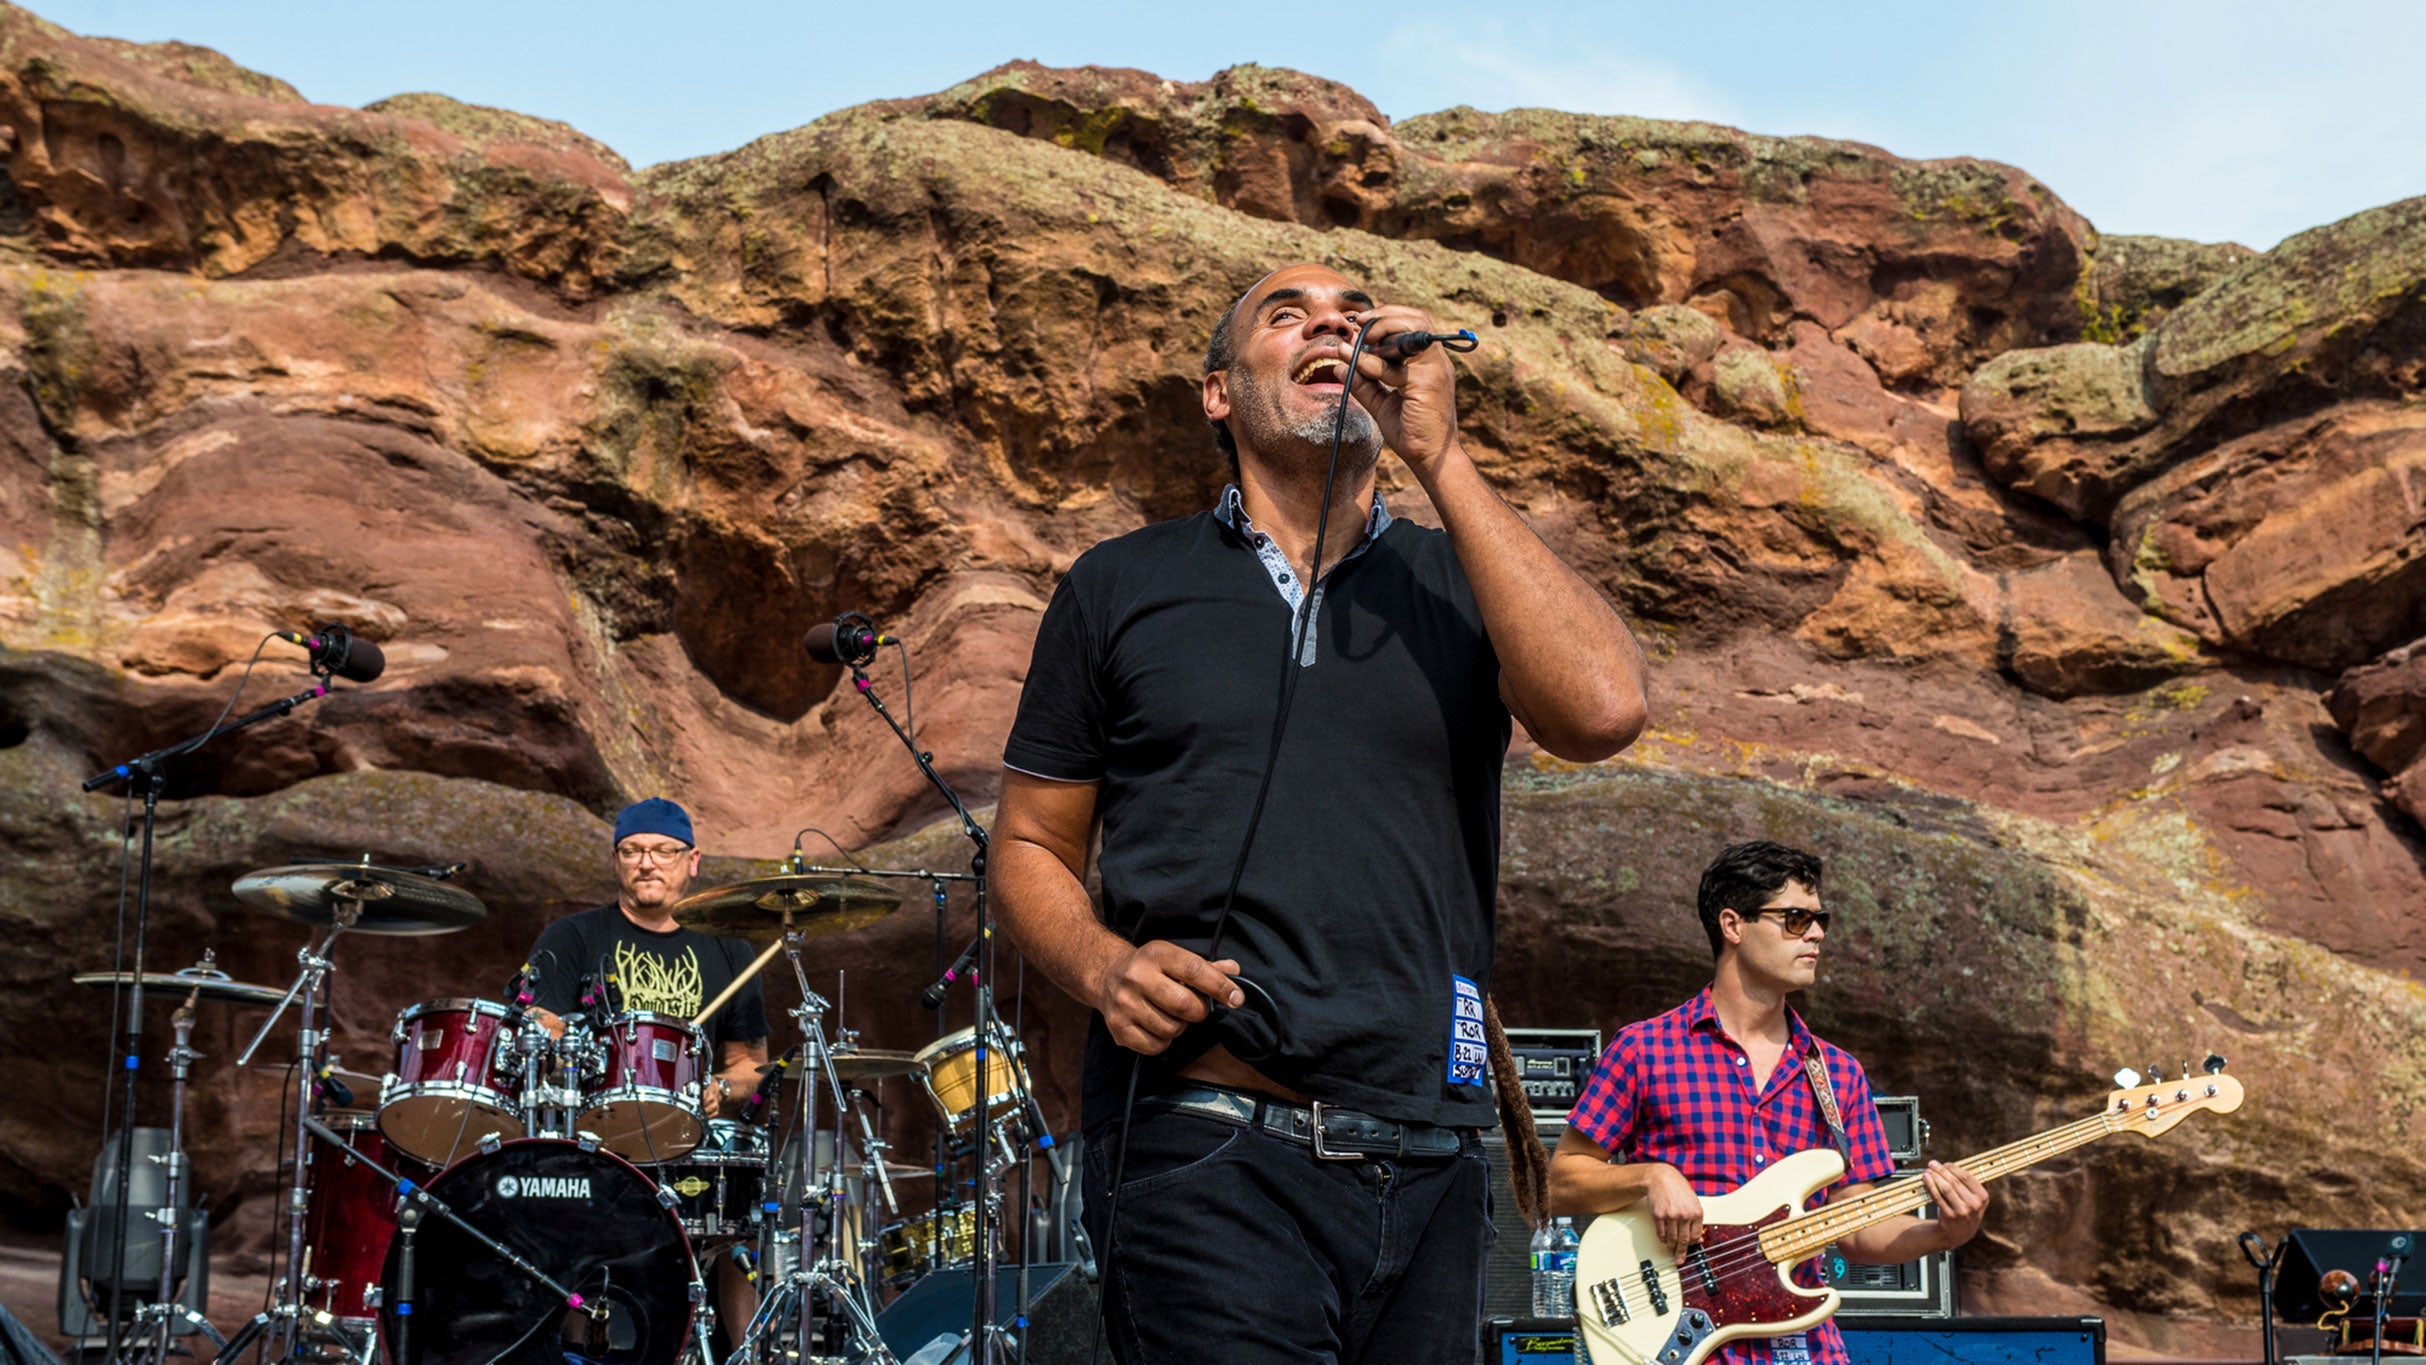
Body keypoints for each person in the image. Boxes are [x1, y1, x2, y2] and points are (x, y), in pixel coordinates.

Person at [993, 262, 1649, 1363]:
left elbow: (1602, 709)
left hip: (1432, 1158)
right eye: (1286, 316)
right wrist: (1104, 970)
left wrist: (1436, 453)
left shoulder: (1461, 578)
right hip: (1204, 1141)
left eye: (1352, 316)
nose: (1331, 327)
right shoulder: (1119, 586)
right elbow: (1027, 844)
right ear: (1217, 392)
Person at [1549, 841, 1990, 1365]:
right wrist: (1650, 1176)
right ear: (1733, 925)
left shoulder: (1838, 1074)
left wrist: (1943, 1230)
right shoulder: (1645, 1049)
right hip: (1680, 1343)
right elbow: (1559, 1183)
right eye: (1796, 919)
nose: (1818, 934)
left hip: (1803, 1347)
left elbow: (1861, 1232)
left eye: (1819, 919)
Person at [524, 796, 772, 1350]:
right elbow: (537, 1024)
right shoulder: (573, 937)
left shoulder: (729, 948)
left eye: (664, 851)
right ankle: (579, 1350)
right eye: (632, 850)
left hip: (692, 1136)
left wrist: (721, 1088)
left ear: (693, 860)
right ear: (615, 860)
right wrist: (577, 1046)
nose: (647, 862)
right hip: (595, 1138)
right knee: (562, 1221)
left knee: (739, 1217)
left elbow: (750, 1066)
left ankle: (747, 1355)